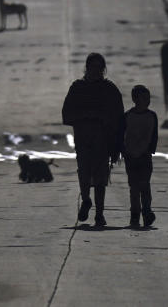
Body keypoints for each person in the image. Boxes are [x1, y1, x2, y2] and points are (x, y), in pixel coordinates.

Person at [62, 53, 125, 227]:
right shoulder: (77, 88)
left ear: (103, 69)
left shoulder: (110, 89)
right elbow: (67, 114)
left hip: (103, 141)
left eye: (99, 67)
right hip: (83, 138)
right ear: (87, 68)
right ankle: (86, 200)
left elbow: (119, 117)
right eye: (93, 67)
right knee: (83, 173)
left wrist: (117, 142)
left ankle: (99, 213)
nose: (96, 71)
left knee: (100, 178)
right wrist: (87, 116)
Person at [124, 85, 159, 228]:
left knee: (144, 185)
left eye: (148, 98)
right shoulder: (127, 116)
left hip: (145, 156)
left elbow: (153, 136)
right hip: (131, 156)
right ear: (134, 99)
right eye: (143, 98)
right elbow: (123, 136)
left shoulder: (152, 116)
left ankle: (146, 211)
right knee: (134, 187)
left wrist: (150, 150)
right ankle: (135, 214)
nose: (147, 101)